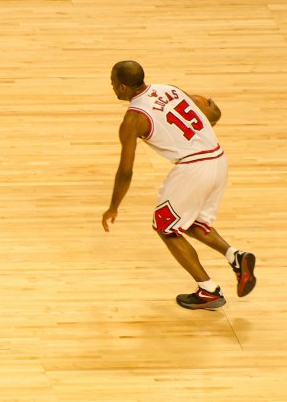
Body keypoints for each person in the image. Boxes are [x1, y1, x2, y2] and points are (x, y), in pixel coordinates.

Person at [102, 60, 256, 310]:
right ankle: (235, 257)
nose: (111, 87)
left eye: (112, 82)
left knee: (165, 227)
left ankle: (208, 290)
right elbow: (213, 115)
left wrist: (113, 207)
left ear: (122, 87)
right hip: (218, 159)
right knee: (192, 222)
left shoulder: (133, 119)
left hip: (194, 167)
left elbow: (126, 171)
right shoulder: (169, 89)